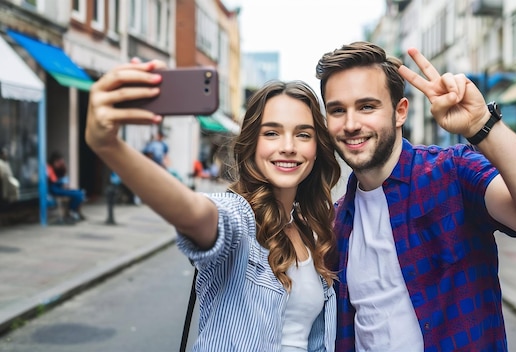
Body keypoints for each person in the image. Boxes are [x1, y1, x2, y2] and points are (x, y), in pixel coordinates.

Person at [315, 41, 516, 351]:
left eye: (367, 106)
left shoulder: (452, 173)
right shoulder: (339, 222)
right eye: (338, 110)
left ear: (400, 112)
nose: (351, 124)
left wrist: (482, 125)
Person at [85, 58, 341, 352]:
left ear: (316, 148)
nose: (288, 146)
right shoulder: (241, 218)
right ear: (252, 144)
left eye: (303, 134)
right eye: (271, 132)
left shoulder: (312, 233)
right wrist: (109, 146)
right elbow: (194, 213)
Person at [47, 151, 86, 221]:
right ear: (55, 161)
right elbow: (54, 181)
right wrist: (61, 182)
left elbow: (64, 180)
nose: (60, 164)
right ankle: (72, 211)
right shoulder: (49, 168)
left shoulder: (60, 169)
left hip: (60, 188)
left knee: (81, 192)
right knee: (78, 195)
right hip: (54, 189)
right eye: (59, 162)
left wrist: (63, 167)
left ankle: (75, 212)